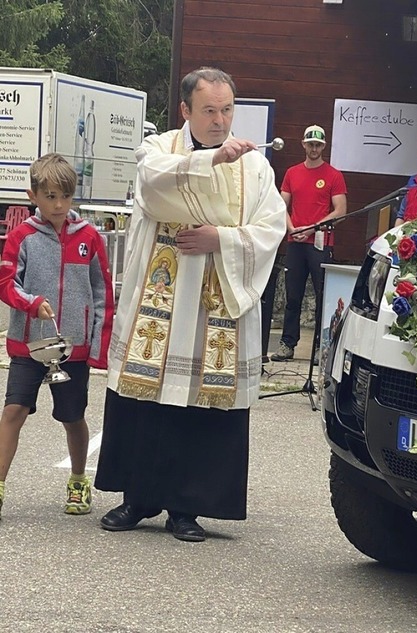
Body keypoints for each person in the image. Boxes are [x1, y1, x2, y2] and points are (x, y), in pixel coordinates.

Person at [94, 67, 286, 542]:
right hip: (162, 294)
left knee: (202, 400)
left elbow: (270, 228)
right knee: (148, 395)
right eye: (209, 111)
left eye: (226, 110)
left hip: (216, 297)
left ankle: (188, 507)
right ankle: (138, 498)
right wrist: (211, 161)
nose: (220, 121)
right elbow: (153, 186)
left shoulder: (256, 166)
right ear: (185, 110)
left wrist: (218, 237)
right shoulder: (159, 149)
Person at [0, 153, 113, 519]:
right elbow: (5, 284)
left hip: (73, 349)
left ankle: (78, 480)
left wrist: (98, 348)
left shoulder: (91, 238)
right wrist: (31, 303)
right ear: (33, 195)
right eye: (49, 196)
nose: (59, 204)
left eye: (65, 195)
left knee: (72, 416)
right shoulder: (21, 237)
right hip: (28, 346)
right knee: (13, 411)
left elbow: (103, 295)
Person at [270, 125, 347, 363]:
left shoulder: (333, 175)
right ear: (303, 145)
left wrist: (312, 228)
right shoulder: (293, 173)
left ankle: (320, 347)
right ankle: (287, 344)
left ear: (323, 146)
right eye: (310, 144)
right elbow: (281, 205)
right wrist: (292, 228)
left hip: (320, 243)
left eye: (318, 145)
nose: (313, 148)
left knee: (323, 295)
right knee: (293, 296)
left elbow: (341, 210)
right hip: (295, 241)